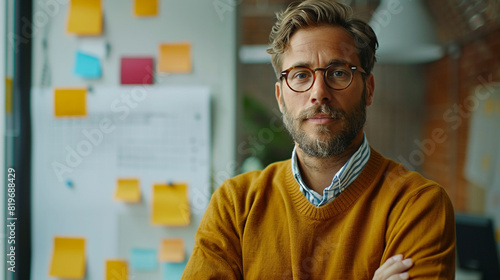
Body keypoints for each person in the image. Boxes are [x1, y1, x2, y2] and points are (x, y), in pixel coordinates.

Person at [182, 1, 456, 279]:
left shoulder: (417, 205)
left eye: (338, 73)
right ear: (280, 97)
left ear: (368, 90)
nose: (319, 92)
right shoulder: (235, 204)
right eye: (301, 75)